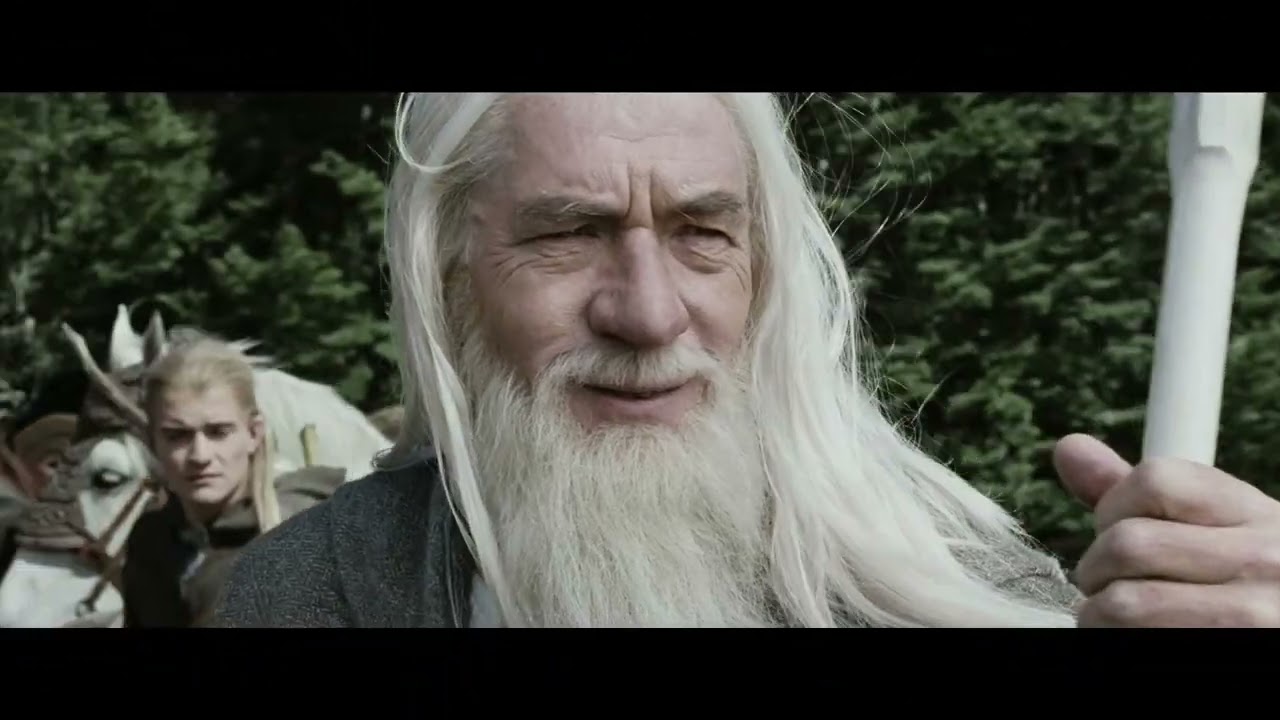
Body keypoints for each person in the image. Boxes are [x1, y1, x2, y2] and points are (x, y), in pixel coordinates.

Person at [214, 93, 1280, 628]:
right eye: (569, 234)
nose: (648, 313)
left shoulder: (947, 582)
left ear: (763, 270)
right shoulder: (320, 595)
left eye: (702, 233)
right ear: (452, 280)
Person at [122, 334, 345, 627]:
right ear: (152, 442)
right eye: (177, 436)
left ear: (253, 433)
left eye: (218, 432)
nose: (200, 455)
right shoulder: (150, 542)